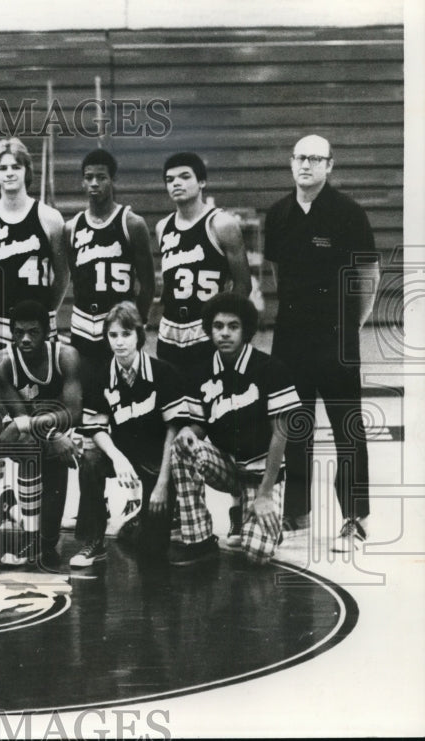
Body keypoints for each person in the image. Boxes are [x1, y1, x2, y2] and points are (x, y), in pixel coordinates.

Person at [264, 135, 379, 552]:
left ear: (330, 165)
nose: (306, 165)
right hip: (291, 335)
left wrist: (351, 325)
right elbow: (277, 271)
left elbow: (368, 277)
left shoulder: (349, 214)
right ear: (290, 163)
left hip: (337, 337)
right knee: (294, 424)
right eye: (299, 157)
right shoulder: (277, 215)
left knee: (348, 426)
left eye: (315, 158)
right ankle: (296, 514)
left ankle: (355, 517)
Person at [169, 294, 301, 566]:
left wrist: (265, 493)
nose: (224, 333)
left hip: (261, 474)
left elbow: (281, 434)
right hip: (227, 467)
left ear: (246, 330)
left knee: (257, 553)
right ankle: (199, 540)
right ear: (209, 329)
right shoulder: (201, 372)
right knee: (181, 449)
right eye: (218, 326)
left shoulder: (270, 369)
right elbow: (200, 426)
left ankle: (259, 518)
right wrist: (188, 434)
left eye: (233, 326)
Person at [76, 302, 192, 565]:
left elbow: (173, 430)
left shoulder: (164, 373)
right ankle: (94, 541)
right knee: (91, 460)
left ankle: (137, 523)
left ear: (140, 335)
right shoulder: (100, 375)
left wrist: (163, 483)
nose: (119, 343)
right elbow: (95, 427)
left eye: (126, 334)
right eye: (113, 335)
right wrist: (116, 456)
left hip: (156, 458)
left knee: (152, 551)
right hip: (123, 451)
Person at [0, 300, 83, 569]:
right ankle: (30, 537)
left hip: (62, 430)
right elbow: (20, 417)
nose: (25, 339)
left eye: (33, 332)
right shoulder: (3, 360)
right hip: (28, 434)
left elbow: (74, 412)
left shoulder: (66, 355)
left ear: (47, 332)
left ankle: (12, 510)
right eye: (19, 332)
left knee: (51, 536)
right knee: (29, 444)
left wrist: (54, 434)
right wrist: (52, 433)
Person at [0, 137, 69, 357]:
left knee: (43, 390)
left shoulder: (50, 218)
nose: (9, 173)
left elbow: (62, 276)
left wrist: (47, 311)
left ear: (27, 170)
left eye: (16, 166)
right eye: (2, 168)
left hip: (37, 326)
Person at [156, 152, 251, 376]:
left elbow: (243, 285)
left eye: (184, 176)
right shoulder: (163, 227)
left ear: (202, 182)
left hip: (207, 331)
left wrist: (223, 327)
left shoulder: (221, 224)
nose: (176, 183)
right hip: (170, 331)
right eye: (170, 180)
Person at [66, 150, 155, 368]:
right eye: (89, 178)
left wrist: (136, 321)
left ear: (113, 181)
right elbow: (74, 278)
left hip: (119, 325)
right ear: (82, 182)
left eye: (101, 177)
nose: (94, 183)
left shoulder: (132, 223)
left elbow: (148, 285)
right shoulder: (71, 227)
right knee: (87, 392)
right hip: (83, 325)